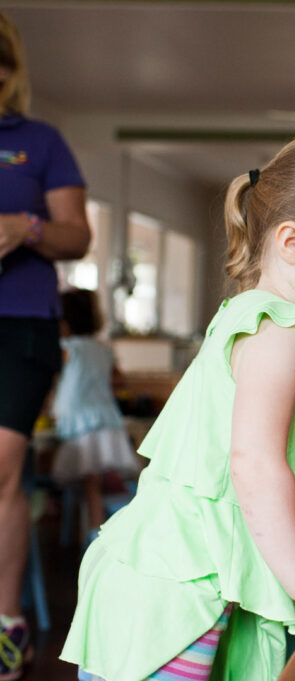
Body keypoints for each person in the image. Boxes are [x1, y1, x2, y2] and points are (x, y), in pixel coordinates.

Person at [61, 133, 295, 681]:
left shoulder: (257, 315)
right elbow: (254, 463)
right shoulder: (281, 328)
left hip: (178, 575)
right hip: (178, 591)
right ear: (292, 241)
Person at [0, 12, 92, 681]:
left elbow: (76, 236)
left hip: (21, 324)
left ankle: (7, 628)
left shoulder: (40, 141)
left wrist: (24, 226)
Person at [51, 288, 141, 546]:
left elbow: (54, 379)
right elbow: (119, 379)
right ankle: (97, 532)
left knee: (91, 484)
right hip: (107, 420)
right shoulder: (103, 349)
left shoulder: (67, 349)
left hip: (81, 422)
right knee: (99, 482)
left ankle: (94, 539)